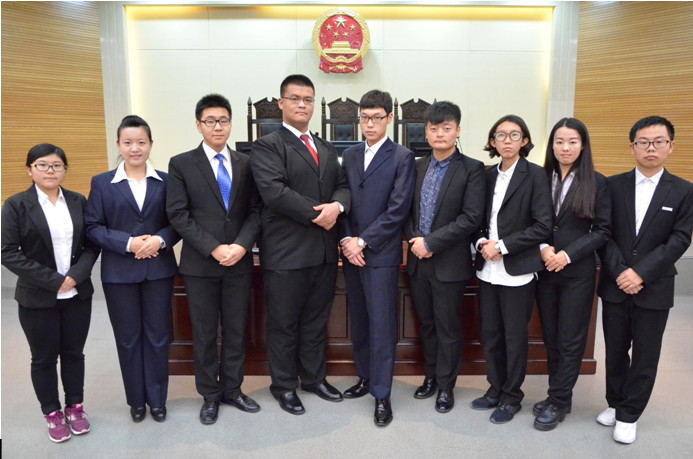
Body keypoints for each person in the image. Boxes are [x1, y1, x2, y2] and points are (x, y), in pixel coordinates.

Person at [250, 74, 350, 415]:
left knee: (315, 322)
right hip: (286, 253)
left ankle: (314, 379)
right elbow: (275, 193)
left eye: (308, 99)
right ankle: (284, 386)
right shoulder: (267, 146)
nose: (302, 105)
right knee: (283, 325)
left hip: (323, 252)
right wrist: (321, 214)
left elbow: (343, 185)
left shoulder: (326, 147)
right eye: (295, 98)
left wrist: (338, 207)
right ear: (281, 103)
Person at [596, 116, 693, 444]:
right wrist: (621, 271)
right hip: (615, 283)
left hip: (655, 285)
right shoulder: (612, 185)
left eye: (659, 142)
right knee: (615, 350)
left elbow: (680, 239)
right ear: (632, 147)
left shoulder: (684, 190)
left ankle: (629, 414)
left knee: (645, 354)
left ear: (671, 146)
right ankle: (615, 403)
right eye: (643, 142)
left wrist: (640, 273)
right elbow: (603, 233)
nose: (651, 148)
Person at [166, 94, 262, 425]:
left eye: (223, 120)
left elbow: (255, 211)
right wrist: (214, 248)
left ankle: (233, 389)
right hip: (200, 265)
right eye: (210, 121)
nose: (217, 126)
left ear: (230, 124)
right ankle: (210, 394)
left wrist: (241, 245)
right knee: (205, 333)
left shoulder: (246, 163)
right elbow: (178, 215)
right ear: (198, 125)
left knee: (236, 330)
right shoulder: (181, 163)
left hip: (239, 261)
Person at [84, 115, 180, 423]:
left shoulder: (167, 180)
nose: (134, 148)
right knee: (127, 339)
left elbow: (179, 222)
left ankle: (158, 400)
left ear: (151, 144)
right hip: (118, 274)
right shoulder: (102, 183)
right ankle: (136, 401)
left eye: (141, 142)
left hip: (159, 270)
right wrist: (128, 243)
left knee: (158, 337)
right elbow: (92, 227)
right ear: (118, 145)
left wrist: (159, 241)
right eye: (128, 142)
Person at [1, 144, 100, 443]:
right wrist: (54, 281)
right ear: (29, 170)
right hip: (37, 297)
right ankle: (52, 412)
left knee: (73, 354)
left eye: (57, 165)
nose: (50, 171)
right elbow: (8, 252)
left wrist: (75, 276)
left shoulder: (78, 201)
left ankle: (75, 408)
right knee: (43, 358)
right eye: (42, 165)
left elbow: (92, 244)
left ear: (64, 170)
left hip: (77, 295)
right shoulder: (16, 205)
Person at [338, 89, 415, 426]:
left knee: (382, 325)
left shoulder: (402, 157)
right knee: (359, 319)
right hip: (350, 253)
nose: (369, 124)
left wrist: (362, 241)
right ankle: (365, 377)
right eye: (365, 118)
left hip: (379, 254)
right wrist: (346, 240)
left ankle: (382, 394)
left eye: (376, 118)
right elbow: (341, 199)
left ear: (389, 118)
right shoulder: (349, 154)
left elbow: (397, 210)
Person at [403, 101, 485, 414]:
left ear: (457, 131)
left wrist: (431, 243)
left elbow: (470, 218)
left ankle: (447, 386)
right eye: (434, 128)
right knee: (426, 325)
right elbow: (405, 211)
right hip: (418, 261)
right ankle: (431, 377)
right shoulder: (415, 166)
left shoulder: (472, 168)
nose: (439, 134)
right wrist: (414, 240)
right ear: (426, 132)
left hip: (449, 263)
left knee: (448, 327)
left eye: (446, 128)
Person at [471, 115, 552, 424]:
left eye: (514, 135)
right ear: (492, 142)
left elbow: (542, 226)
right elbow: (475, 219)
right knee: (490, 333)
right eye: (500, 135)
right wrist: (482, 242)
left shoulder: (536, 175)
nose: (507, 140)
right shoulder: (485, 175)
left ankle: (511, 396)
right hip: (486, 269)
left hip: (516, 270)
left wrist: (502, 246)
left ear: (524, 141)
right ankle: (495, 388)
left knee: (514, 337)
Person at [533, 118, 611, 431]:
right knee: (551, 337)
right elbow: (530, 220)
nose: (565, 148)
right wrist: (543, 248)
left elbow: (602, 231)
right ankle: (559, 396)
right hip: (544, 269)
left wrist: (566, 255)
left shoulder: (597, 182)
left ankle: (559, 399)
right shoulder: (540, 177)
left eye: (573, 141)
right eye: (559, 141)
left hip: (577, 272)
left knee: (570, 339)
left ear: (583, 145)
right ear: (551, 145)